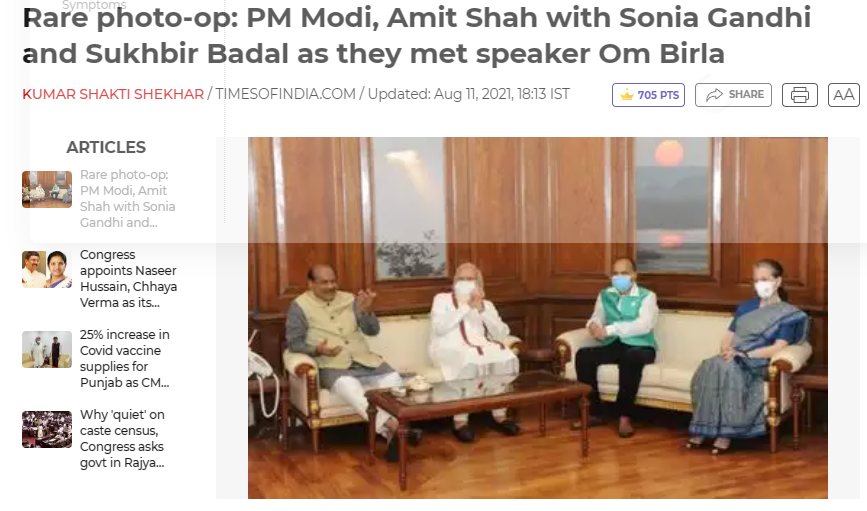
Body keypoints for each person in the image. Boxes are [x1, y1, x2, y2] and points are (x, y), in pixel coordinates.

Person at [285, 264, 421, 462]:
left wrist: (366, 312)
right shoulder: (299, 306)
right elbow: (294, 343)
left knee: (394, 381)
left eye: (333, 281)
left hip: (366, 360)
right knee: (349, 387)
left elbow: (372, 331)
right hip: (333, 365)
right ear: (311, 284)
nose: (331, 286)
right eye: (324, 282)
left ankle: (393, 436)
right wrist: (317, 350)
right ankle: (395, 427)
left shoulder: (350, 299)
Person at [687, 259, 809, 454]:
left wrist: (744, 354)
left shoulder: (787, 314)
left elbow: (778, 347)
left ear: (778, 281)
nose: (759, 284)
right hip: (735, 356)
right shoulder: (745, 307)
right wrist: (727, 351)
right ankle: (703, 429)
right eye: (756, 280)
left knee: (728, 368)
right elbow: (729, 336)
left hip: (759, 362)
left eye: (764, 279)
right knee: (710, 365)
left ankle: (725, 434)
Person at [429, 262, 520, 443]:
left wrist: (481, 309)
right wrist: (466, 307)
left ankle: (499, 414)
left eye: (470, 279)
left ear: (478, 282)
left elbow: (501, 334)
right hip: (447, 348)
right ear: (455, 281)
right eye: (461, 279)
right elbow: (440, 328)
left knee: (505, 356)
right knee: (470, 357)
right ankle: (460, 420)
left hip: (479, 348)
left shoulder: (486, 304)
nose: (465, 282)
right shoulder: (442, 299)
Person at [574, 257, 659, 438]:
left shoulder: (647, 296)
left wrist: (609, 330)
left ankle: (624, 417)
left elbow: (643, 325)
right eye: (615, 273)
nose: (619, 277)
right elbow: (597, 316)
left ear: (634, 275)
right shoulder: (605, 294)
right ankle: (594, 412)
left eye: (624, 273)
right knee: (584, 355)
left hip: (641, 346)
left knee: (630, 359)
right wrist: (594, 326)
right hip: (615, 344)